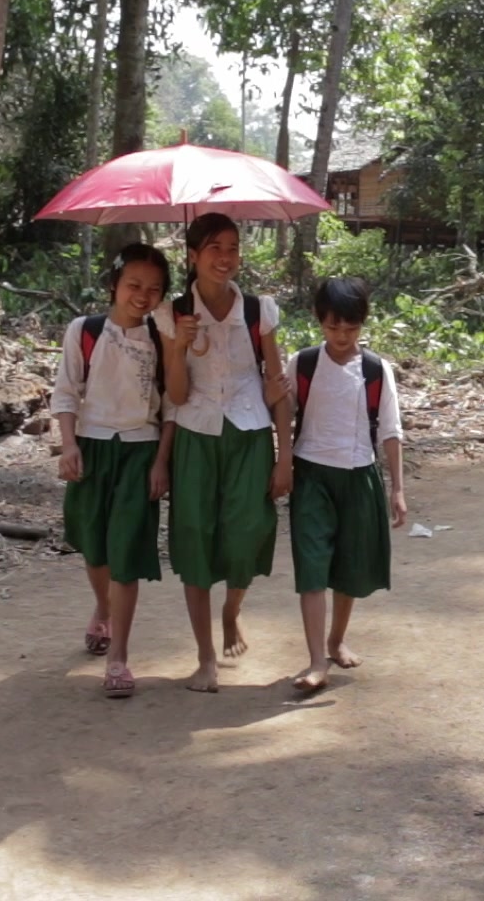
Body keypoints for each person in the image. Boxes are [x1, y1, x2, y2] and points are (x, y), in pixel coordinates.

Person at [155, 213, 293, 693]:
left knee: (248, 531)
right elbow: (173, 395)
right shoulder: (172, 314)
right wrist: (179, 347)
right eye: (214, 248)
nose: (225, 257)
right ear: (192, 255)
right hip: (195, 435)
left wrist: (284, 456)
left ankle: (232, 610)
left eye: (233, 248)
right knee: (195, 538)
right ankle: (205, 658)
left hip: (250, 432)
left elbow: (277, 389)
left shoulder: (259, 312)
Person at [51, 244, 175, 699]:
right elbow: (66, 393)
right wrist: (68, 446)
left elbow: (172, 408)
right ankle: (101, 607)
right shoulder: (84, 332)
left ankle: (119, 656)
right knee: (96, 545)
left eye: (154, 289)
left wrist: (162, 462)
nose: (142, 296)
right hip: (92, 448)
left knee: (126, 553)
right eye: (134, 286)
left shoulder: (162, 339)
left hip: (141, 453)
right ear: (114, 285)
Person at [286, 276, 407, 693]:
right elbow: (282, 416)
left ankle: (336, 640)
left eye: (351, 328)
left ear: (363, 324)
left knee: (349, 567)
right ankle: (317, 660)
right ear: (319, 320)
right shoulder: (301, 363)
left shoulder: (375, 370)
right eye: (333, 326)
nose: (341, 336)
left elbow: (390, 430)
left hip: (360, 475)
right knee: (313, 567)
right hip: (311, 476)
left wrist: (397, 488)